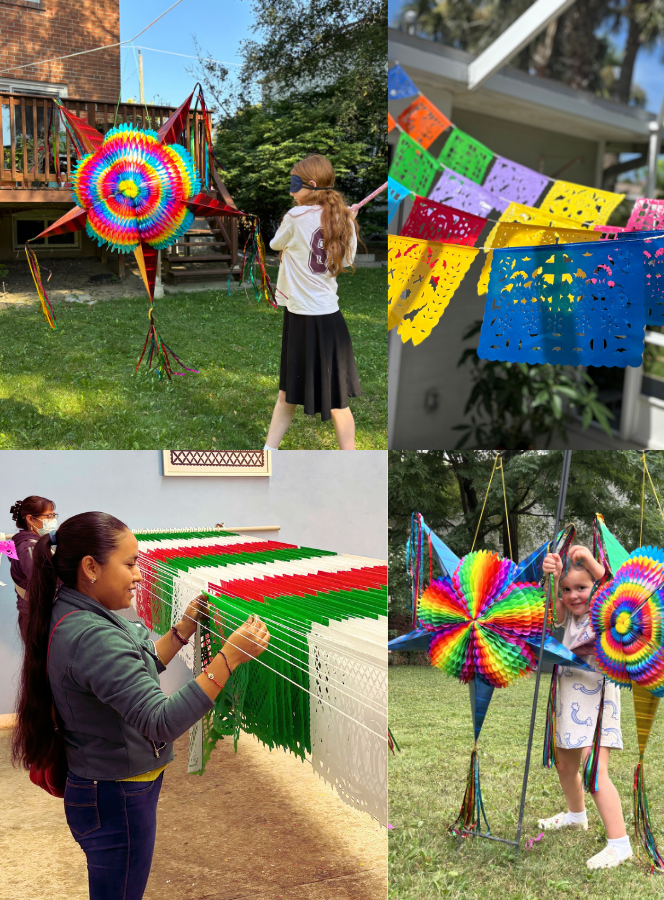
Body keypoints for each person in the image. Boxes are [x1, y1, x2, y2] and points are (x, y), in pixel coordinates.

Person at [9, 512, 271, 900]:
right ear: (90, 567)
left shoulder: (73, 611)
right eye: (130, 564)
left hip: (104, 790)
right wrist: (229, 658)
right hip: (115, 799)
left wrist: (182, 630)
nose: (138, 576)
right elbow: (160, 721)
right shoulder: (92, 635)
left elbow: (130, 674)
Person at [536, 544, 632, 870]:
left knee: (594, 772)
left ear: (595, 587)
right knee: (566, 766)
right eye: (567, 589)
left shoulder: (606, 613)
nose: (573, 595)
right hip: (567, 698)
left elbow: (615, 591)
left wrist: (592, 562)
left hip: (599, 701)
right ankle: (576, 816)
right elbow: (554, 613)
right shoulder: (568, 617)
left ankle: (619, 844)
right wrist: (553, 578)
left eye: (581, 587)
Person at [264, 153, 361, 450]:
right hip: (330, 320)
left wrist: (343, 220)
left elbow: (275, 244)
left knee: (287, 394)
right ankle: (351, 465)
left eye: (295, 185)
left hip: (302, 318)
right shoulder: (343, 220)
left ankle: (268, 454)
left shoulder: (294, 218)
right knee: (338, 403)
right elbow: (348, 259)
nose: (291, 192)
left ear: (312, 185)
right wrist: (348, 222)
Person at [9, 495, 57, 636]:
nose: (53, 520)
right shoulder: (28, 547)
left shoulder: (33, 543)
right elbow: (43, 583)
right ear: (31, 519)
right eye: (48, 516)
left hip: (37, 613)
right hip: (37, 616)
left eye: (54, 515)